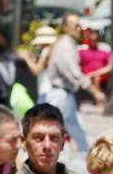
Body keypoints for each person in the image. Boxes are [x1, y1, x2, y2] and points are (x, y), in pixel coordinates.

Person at [43, 12, 103, 154]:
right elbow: (74, 74)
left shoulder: (69, 44)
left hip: (65, 95)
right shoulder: (65, 45)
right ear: (65, 28)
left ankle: (87, 163)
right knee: (51, 132)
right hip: (59, 95)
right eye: (75, 26)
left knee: (78, 132)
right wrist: (95, 92)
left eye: (79, 25)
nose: (79, 29)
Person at [18, 25, 57, 103]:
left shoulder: (46, 50)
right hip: (53, 91)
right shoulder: (56, 50)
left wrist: (26, 58)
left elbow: (36, 70)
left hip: (46, 91)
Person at [79, 29, 113, 112]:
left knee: (97, 78)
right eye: (91, 39)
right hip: (85, 76)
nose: (93, 41)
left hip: (101, 76)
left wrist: (95, 73)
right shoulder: (82, 50)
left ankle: (99, 103)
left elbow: (110, 66)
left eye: (96, 39)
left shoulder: (104, 49)